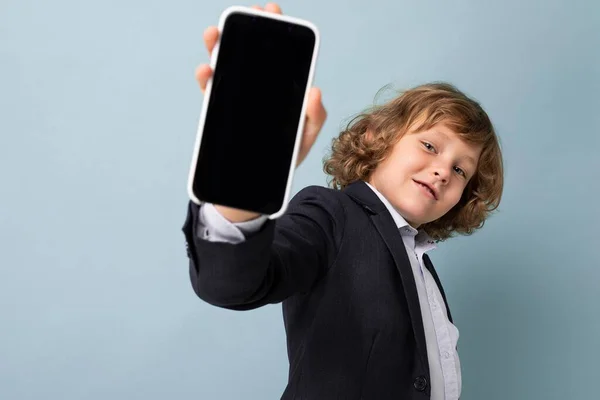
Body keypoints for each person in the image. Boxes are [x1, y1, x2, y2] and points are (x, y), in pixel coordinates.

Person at [182, 3, 504, 399]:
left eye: (460, 171)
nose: (442, 169)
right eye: (429, 145)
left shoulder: (419, 260)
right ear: (375, 138)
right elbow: (233, 284)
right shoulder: (331, 214)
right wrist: (244, 179)